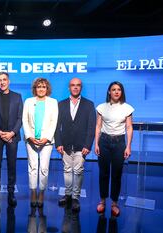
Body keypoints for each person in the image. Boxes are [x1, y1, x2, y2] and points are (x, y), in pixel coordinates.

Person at [54, 78, 96, 212]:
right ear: (69, 88)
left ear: (81, 88)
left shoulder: (89, 105)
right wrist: (58, 142)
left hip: (81, 145)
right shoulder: (61, 104)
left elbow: (91, 127)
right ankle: (67, 195)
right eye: (73, 85)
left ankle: (76, 198)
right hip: (65, 144)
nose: (75, 87)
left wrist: (88, 145)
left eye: (78, 85)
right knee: (67, 169)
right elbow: (56, 126)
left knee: (78, 170)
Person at [95, 81, 134, 217]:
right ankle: (102, 201)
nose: (116, 92)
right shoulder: (101, 107)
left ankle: (114, 203)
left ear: (121, 92)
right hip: (104, 142)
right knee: (103, 173)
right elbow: (98, 126)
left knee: (117, 174)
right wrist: (96, 144)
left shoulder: (127, 108)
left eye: (119, 89)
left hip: (119, 143)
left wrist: (128, 146)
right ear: (109, 92)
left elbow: (129, 127)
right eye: (113, 89)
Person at [0, 72, 23, 207]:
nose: (2, 82)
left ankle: (11, 192)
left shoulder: (17, 97)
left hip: (12, 137)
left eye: (4, 80)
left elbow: (20, 118)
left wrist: (12, 133)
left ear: (9, 81)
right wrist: (0, 132)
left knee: (12, 165)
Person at [22, 77, 58, 208]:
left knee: (44, 168)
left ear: (47, 89)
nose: (41, 89)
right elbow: (24, 120)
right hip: (31, 140)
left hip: (46, 141)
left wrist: (47, 138)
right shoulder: (28, 101)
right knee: (32, 167)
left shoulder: (53, 102)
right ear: (35, 89)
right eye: (38, 87)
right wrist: (29, 136)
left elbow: (54, 121)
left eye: (43, 87)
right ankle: (33, 192)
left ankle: (41, 193)